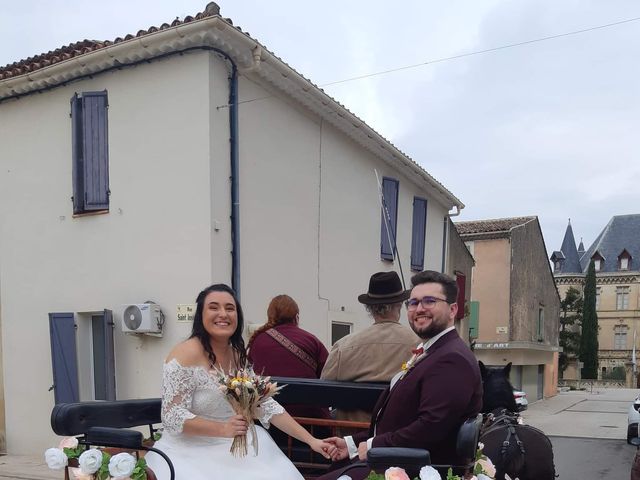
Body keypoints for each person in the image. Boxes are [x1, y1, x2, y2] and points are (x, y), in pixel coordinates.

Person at [144, 284, 331, 480]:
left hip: (235, 447)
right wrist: (223, 429)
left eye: (230, 308)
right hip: (190, 452)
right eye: (214, 307)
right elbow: (172, 416)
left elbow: (265, 405)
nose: (223, 314)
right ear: (201, 315)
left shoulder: (238, 356)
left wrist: (312, 441)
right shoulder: (185, 353)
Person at [318, 270, 483, 480]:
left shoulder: (452, 359)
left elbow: (430, 427)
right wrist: (351, 445)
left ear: (452, 310)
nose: (419, 308)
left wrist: (370, 446)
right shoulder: (433, 350)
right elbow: (399, 422)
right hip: (391, 457)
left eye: (429, 301)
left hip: (412, 468)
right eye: (413, 303)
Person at [320, 271, 419, 422]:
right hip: (399, 437)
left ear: (370, 308)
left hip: (350, 436)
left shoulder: (343, 346)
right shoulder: (420, 346)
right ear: (399, 305)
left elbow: (325, 392)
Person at [248, 294, 330, 419]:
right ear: (296, 317)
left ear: (270, 317)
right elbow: (327, 373)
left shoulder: (257, 341)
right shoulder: (311, 340)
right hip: (311, 419)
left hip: (269, 419)